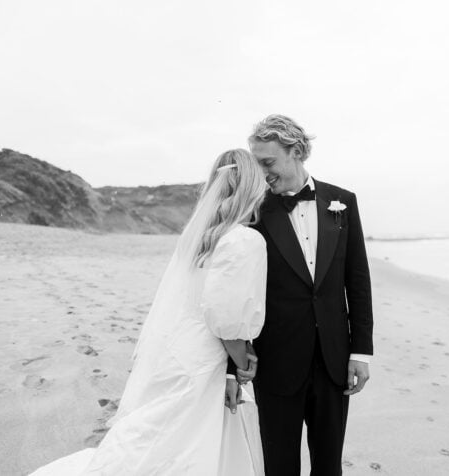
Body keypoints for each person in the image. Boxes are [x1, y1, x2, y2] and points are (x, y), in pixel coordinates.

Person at [29, 148, 269, 475]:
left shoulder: (197, 238)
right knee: (186, 440)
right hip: (205, 356)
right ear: (252, 188)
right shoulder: (244, 240)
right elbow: (225, 320)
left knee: (161, 435)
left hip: (175, 349)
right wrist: (242, 364)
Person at [245, 114, 374, 475]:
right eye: (256, 163)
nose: (262, 173)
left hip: (334, 361)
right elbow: (239, 292)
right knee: (279, 467)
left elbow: (357, 281)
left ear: (297, 152)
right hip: (276, 362)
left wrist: (361, 351)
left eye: (268, 162)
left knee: (329, 466)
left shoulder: (343, 202)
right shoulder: (253, 210)